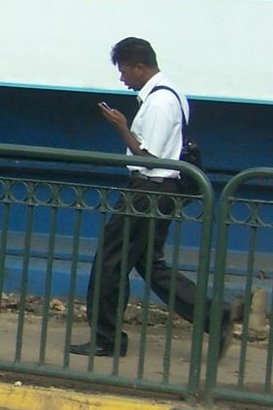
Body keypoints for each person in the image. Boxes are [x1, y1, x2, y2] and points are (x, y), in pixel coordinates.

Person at [70, 37, 234, 359]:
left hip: (148, 191)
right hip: (158, 192)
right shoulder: (169, 93)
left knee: (110, 259)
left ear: (140, 68)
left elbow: (150, 158)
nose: (122, 78)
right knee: (149, 264)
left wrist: (121, 127)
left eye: (124, 71)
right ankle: (218, 317)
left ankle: (106, 338)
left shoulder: (159, 103)